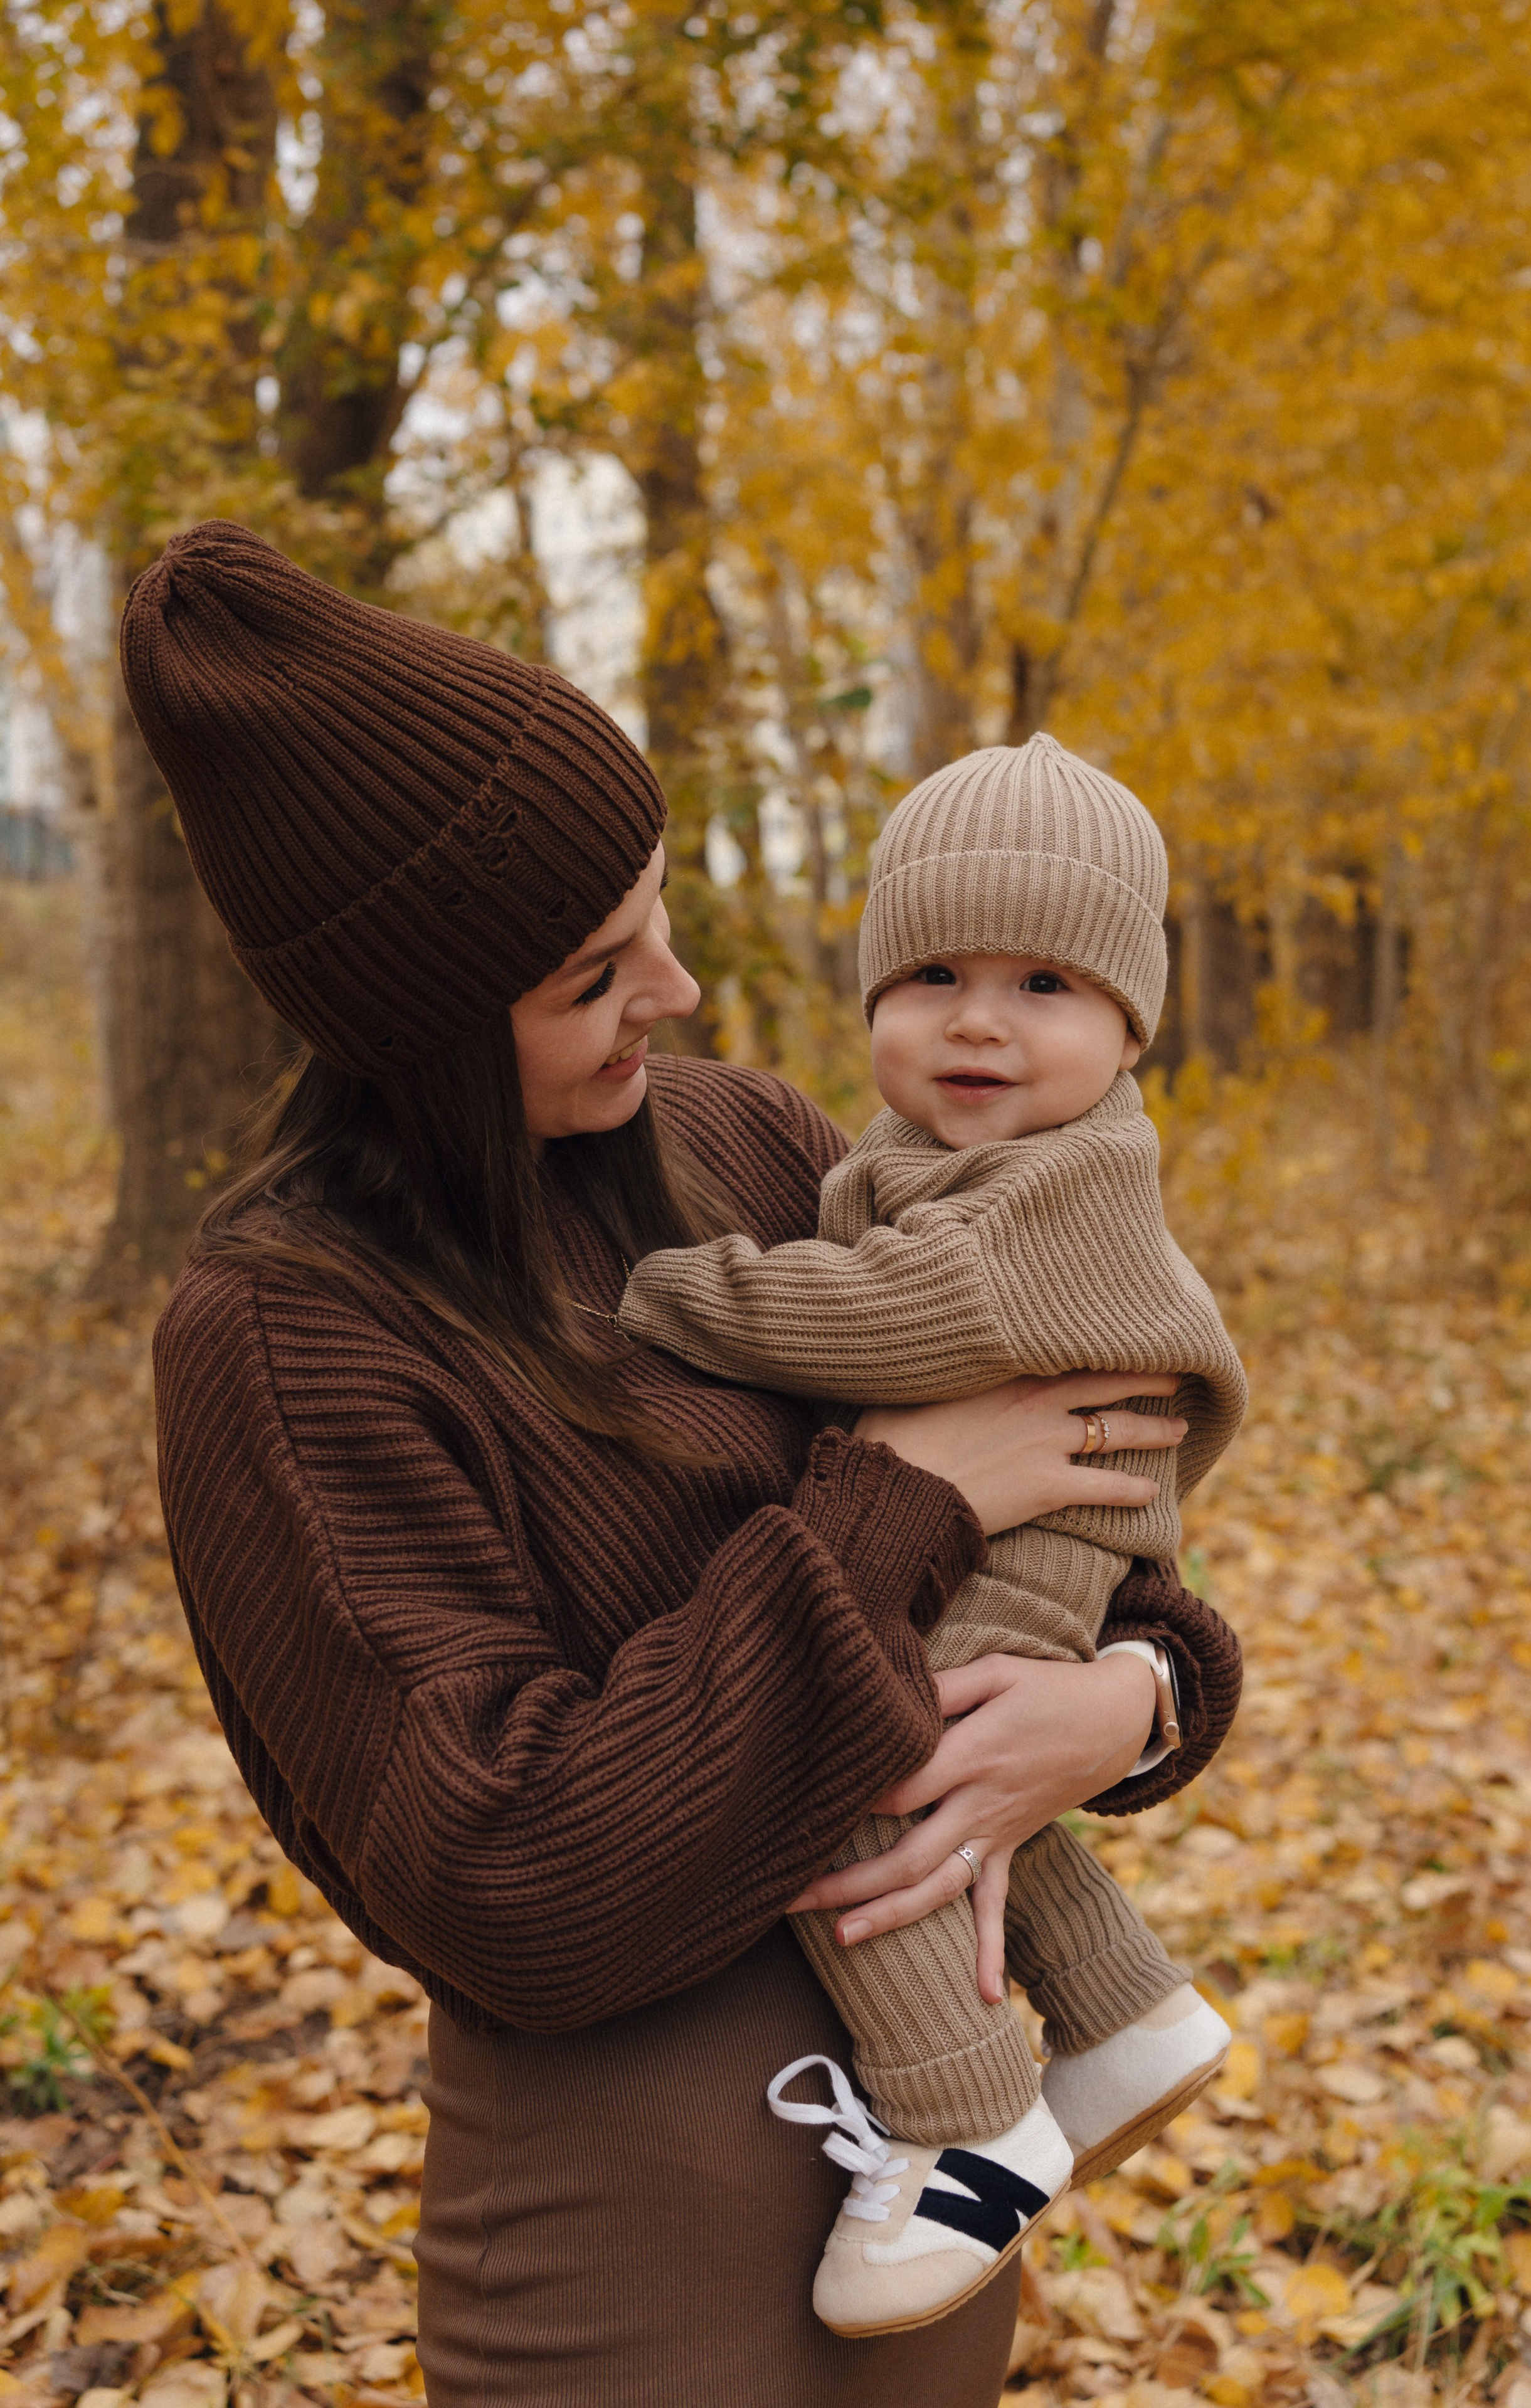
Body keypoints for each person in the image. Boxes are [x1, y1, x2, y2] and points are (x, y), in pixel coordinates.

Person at [122, 520, 1242, 2408]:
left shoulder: (737, 1143)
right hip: (633, 2258)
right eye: (595, 970)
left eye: (651, 911)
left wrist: (1129, 1708)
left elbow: (1104, 1516)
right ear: (419, 1026)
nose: (684, 990)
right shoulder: (290, 1336)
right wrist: (903, 1494)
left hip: (941, 2186)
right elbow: (512, 1877)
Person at [619, 736, 1248, 2336]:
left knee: (852, 1764)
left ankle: (963, 2116)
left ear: (1127, 1028)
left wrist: (671, 1296)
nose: (978, 1018)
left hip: (1044, 1543)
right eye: (933, 972)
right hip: (1029, 1532)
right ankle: (1124, 2016)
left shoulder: (1059, 1183)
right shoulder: (922, 1153)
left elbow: (906, 1314)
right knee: (983, 1790)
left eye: (1045, 983)